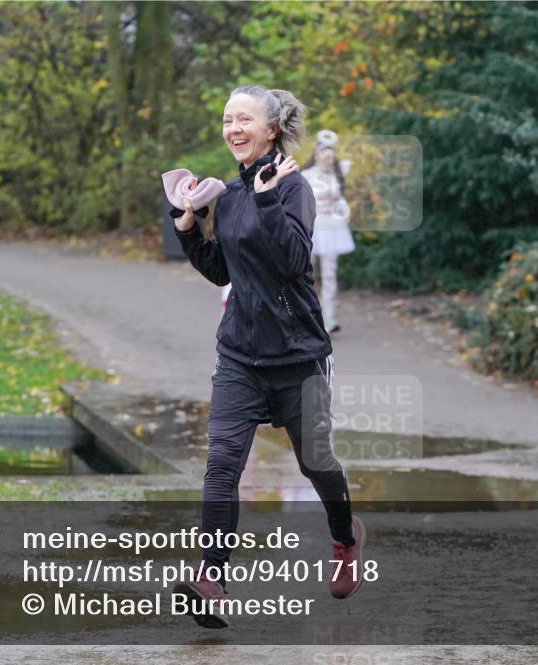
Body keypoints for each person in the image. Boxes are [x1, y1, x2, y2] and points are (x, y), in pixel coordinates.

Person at [169, 85, 366, 629]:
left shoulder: (293, 187)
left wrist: (264, 198)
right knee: (221, 466)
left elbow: (293, 259)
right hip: (239, 356)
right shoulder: (229, 195)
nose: (233, 128)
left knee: (315, 462)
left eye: (244, 119)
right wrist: (187, 228)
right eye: (227, 119)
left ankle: (345, 539)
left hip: (299, 355)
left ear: (271, 129)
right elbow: (223, 271)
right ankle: (211, 578)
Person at [301, 129, 355, 334]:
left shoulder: (337, 175)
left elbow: (340, 198)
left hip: (332, 228)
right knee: (306, 272)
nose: (328, 160)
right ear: (316, 156)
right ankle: (306, 315)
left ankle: (329, 316)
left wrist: (343, 209)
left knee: (330, 274)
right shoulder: (306, 176)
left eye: (331, 157)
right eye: (324, 156)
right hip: (312, 227)